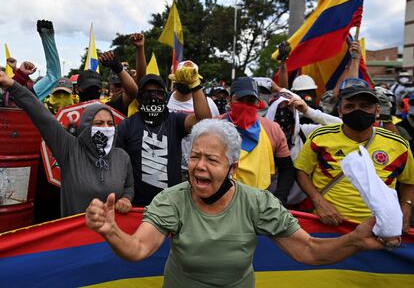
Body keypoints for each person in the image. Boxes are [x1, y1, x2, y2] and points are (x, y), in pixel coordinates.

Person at [86, 118, 391, 288]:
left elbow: (309, 250)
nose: (199, 166)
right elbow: (138, 249)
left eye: (211, 160)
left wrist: (354, 241)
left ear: (232, 168)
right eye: (194, 157)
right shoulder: (172, 200)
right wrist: (111, 231)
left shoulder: (258, 203)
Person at [0, 71, 134, 217]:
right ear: (86, 126)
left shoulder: (122, 157)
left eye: (110, 123)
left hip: (111, 236)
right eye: (99, 123)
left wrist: (127, 198)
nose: (105, 128)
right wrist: (13, 86)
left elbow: (128, 186)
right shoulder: (70, 150)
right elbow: (42, 116)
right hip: (76, 237)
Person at [295, 85, 414, 231]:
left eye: (365, 106)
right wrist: (318, 202)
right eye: (350, 106)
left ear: (377, 110)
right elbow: (301, 171)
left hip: (379, 229)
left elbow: (409, 182)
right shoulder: (320, 137)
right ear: (340, 111)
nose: (358, 111)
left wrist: (406, 208)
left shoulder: (398, 144)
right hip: (329, 225)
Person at [116, 68, 212, 207]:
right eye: (148, 93)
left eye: (158, 93)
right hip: (136, 207)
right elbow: (119, 166)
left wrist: (195, 86)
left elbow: (204, 122)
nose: (153, 97)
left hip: (170, 206)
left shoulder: (174, 120)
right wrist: (125, 196)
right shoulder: (127, 125)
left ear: (165, 97)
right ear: (140, 97)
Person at [220, 77, 294, 205]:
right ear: (229, 100)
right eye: (240, 100)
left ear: (258, 103)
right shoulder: (214, 126)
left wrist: (279, 199)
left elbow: (287, 168)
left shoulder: (272, 129)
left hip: (258, 204)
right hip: (219, 202)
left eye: (250, 101)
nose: (245, 105)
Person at [265, 92, 342, 206]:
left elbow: (341, 125)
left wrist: (308, 111)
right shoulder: (261, 133)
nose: (283, 115)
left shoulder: (305, 132)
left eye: (289, 110)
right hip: (267, 204)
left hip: (300, 206)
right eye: (278, 109)